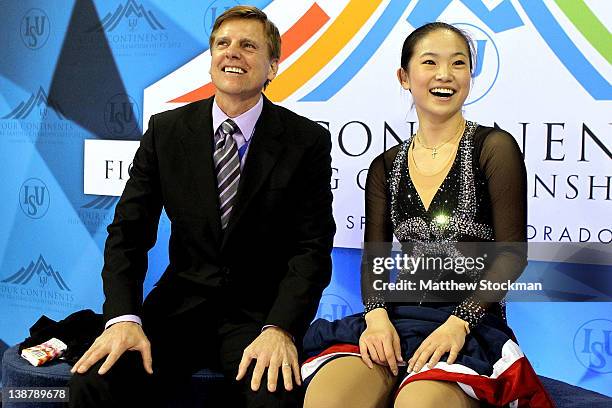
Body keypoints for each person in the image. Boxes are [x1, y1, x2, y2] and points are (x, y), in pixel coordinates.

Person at [68, 6, 335, 407]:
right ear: (211, 60)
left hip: (257, 315)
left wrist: (280, 327)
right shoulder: (166, 131)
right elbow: (128, 233)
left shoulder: (305, 141)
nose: (232, 53)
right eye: (223, 44)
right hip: (178, 307)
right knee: (95, 382)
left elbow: (311, 248)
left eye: (248, 45)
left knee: (273, 397)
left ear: (272, 67)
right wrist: (123, 319)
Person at [301, 22, 553, 408]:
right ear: (405, 77)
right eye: (430, 62)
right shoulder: (385, 166)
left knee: (419, 403)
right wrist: (377, 318)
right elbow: (376, 259)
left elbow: (512, 255)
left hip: (470, 324)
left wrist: (458, 324)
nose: (445, 75)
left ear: (471, 74)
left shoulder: (494, 147)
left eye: (458, 63)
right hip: (398, 317)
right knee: (329, 397)